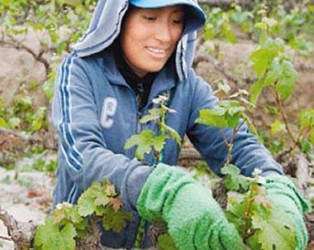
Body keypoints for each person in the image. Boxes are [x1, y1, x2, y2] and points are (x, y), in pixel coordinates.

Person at [51, 0, 310, 249]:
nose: (165, 36)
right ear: (118, 17)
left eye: (176, 20)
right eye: (150, 18)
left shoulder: (186, 86)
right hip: (83, 242)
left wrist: (275, 186)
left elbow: (238, 145)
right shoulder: (80, 72)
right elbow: (82, 157)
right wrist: (165, 190)